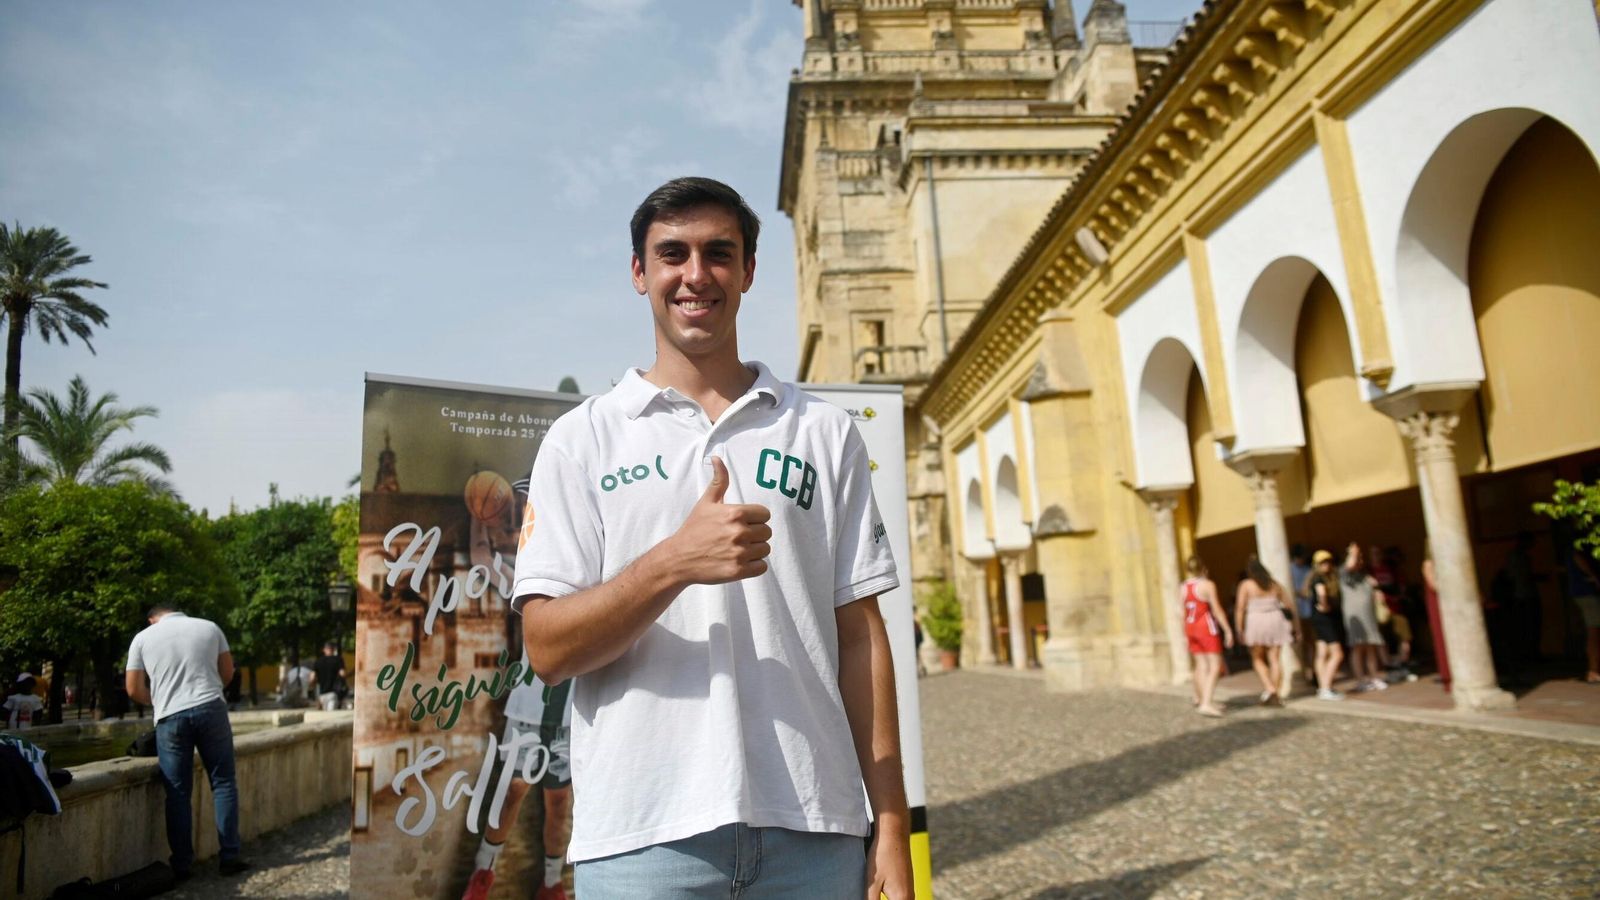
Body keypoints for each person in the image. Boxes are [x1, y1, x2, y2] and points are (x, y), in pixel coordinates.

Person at [512, 177, 911, 899]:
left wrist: (890, 820)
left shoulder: (823, 432)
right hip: (643, 841)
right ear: (640, 273)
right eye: (672, 254)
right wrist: (673, 561)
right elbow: (547, 648)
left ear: (749, 270)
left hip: (815, 833)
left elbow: (861, 638)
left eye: (718, 254)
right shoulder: (582, 440)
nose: (696, 275)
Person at [125, 604, 250, 879]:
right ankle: (229, 856)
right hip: (210, 708)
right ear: (178, 612)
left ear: (152, 619)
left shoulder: (143, 638)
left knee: (178, 792)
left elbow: (133, 688)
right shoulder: (209, 627)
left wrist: (158, 701)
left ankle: (182, 865)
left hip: (170, 717)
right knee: (224, 782)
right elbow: (227, 673)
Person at [461, 673, 574, 900]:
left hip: (567, 712)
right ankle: (484, 870)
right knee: (514, 789)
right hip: (528, 707)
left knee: (559, 801)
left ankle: (552, 882)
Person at [1234, 556, 1297, 706]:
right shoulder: (1275, 585)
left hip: (1256, 622)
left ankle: (1270, 689)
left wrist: (1239, 629)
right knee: (1274, 659)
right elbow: (1289, 607)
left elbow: (1240, 608)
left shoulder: (1247, 585)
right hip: (1275, 620)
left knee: (1257, 658)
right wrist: (1296, 628)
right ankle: (1275, 692)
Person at [1180, 556, 1233, 717]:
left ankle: (1203, 698)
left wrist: (1184, 633)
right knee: (1215, 665)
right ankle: (1206, 702)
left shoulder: (1183, 587)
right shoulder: (1207, 585)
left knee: (1201, 665)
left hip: (1190, 627)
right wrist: (1228, 630)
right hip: (1206, 627)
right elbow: (1216, 609)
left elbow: (1181, 612)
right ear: (1204, 568)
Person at [1340, 543, 1387, 692]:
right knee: (1358, 647)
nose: (1358, 561)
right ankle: (1360, 679)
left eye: (1360, 558)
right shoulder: (1343, 573)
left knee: (1371, 646)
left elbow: (1376, 590)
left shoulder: (1366, 577)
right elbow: (1350, 564)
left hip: (1369, 616)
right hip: (1355, 618)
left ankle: (1374, 677)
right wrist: (1354, 552)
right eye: (1356, 558)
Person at [1308, 550, 1346, 700]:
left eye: (1328, 561)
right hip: (1325, 619)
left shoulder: (1318, 578)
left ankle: (1322, 687)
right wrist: (1325, 605)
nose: (1326, 565)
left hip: (1319, 619)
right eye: (1323, 562)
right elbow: (1322, 594)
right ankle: (1326, 687)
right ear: (1316, 565)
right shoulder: (1319, 579)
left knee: (1322, 653)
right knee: (1337, 654)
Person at [1566, 549, 1600, 684]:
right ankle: (1593, 671)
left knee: (1594, 630)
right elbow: (1578, 558)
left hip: (1583, 592)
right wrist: (1594, 576)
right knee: (1594, 631)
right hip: (1587, 592)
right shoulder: (1578, 547)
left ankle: (1594, 670)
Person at [1290, 544, 1315, 682]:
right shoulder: (1289, 569)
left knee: (1311, 643)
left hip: (1309, 611)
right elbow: (1296, 591)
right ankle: (1304, 671)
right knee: (1301, 643)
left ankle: (1312, 671)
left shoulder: (1307, 569)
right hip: (1297, 613)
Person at [309, 643, 346, 712]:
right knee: (331, 715)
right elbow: (342, 674)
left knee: (325, 714)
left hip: (321, 694)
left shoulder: (318, 661)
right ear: (333, 649)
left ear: (324, 650)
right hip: (334, 692)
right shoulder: (338, 660)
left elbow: (312, 677)